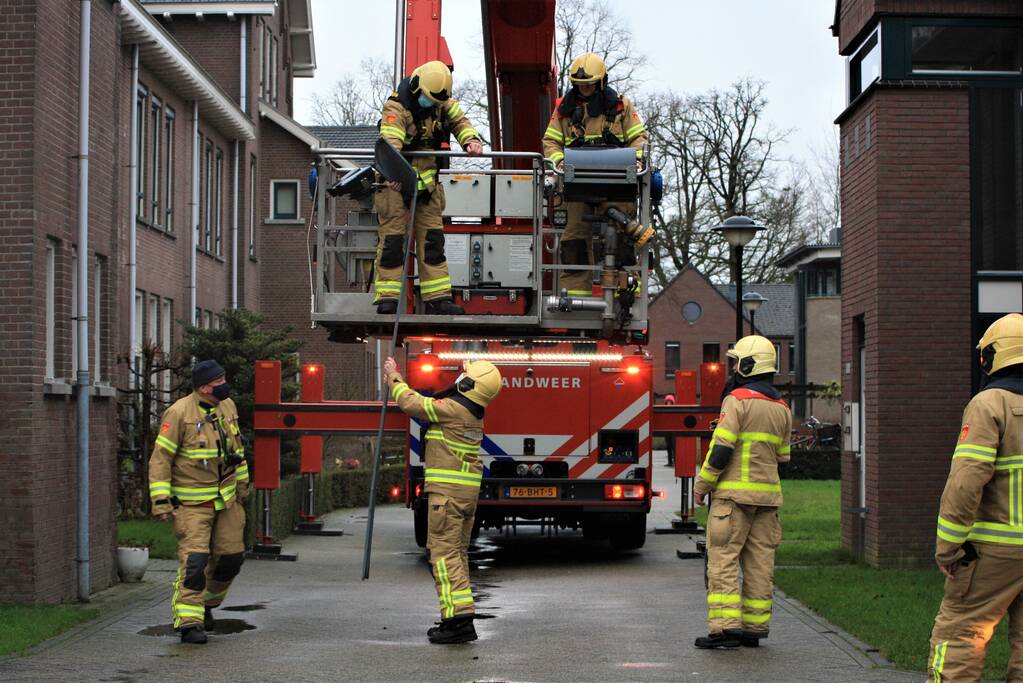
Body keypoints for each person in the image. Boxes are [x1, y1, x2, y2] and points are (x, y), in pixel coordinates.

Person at [928, 313, 1023, 681]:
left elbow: (966, 481)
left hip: (992, 551)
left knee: (961, 633)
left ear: (991, 356)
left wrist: (948, 547)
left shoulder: (989, 405)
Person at [383, 355, 501, 644]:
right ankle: (456, 617)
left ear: (469, 384)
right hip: (462, 498)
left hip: (447, 498)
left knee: (444, 557)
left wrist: (394, 378)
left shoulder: (453, 409)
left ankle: (458, 622)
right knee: (456, 557)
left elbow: (414, 405)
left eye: (465, 376)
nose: (459, 378)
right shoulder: (471, 413)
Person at [692, 336, 791, 649]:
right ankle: (754, 629)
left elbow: (721, 449)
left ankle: (724, 628)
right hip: (768, 501)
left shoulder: (737, 400)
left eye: (737, 362)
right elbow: (784, 457)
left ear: (749, 365)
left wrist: (702, 485)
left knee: (723, 560)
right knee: (760, 565)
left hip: (732, 500)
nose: (734, 368)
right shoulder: (783, 407)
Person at [149, 360, 250, 644]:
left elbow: (237, 452)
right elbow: (161, 460)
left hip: (227, 501)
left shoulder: (227, 407)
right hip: (193, 506)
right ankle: (189, 623)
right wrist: (161, 501)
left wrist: (242, 487)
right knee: (195, 563)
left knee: (231, 559)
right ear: (204, 386)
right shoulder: (179, 413)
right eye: (219, 381)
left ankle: (206, 604)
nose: (225, 385)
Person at [374, 60, 483, 315]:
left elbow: (460, 122)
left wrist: (471, 141)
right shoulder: (396, 106)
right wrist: (393, 174)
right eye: (429, 100)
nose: (432, 106)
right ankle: (387, 298)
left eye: (436, 103)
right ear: (416, 87)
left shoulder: (439, 99)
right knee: (393, 242)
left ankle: (438, 299)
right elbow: (390, 146)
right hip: (395, 185)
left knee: (433, 242)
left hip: (428, 187)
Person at [541, 51, 650, 297]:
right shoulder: (564, 110)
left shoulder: (621, 106)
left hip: (616, 184)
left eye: (589, 83)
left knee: (623, 237)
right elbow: (551, 142)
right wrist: (559, 163)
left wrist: (636, 159)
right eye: (579, 84)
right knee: (574, 240)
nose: (585, 88)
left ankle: (626, 291)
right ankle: (575, 294)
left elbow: (638, 138)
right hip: (575, 185)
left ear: (601, 82)